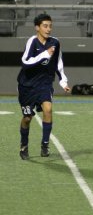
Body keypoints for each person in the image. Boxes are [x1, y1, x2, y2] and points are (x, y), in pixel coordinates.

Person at [17, 13, 71, 160]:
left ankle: (45, 145)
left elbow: (58, 63)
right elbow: (25, 62)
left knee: (48, 109)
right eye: (45, 26)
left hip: (44, 84)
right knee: (27, 118)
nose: (48, 29)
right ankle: (24, 145)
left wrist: (63, 82)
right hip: (27, 86)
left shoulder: (55, 42)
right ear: (37, 27)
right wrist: (44, 55)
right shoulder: (32, 42)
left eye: (50, 26)